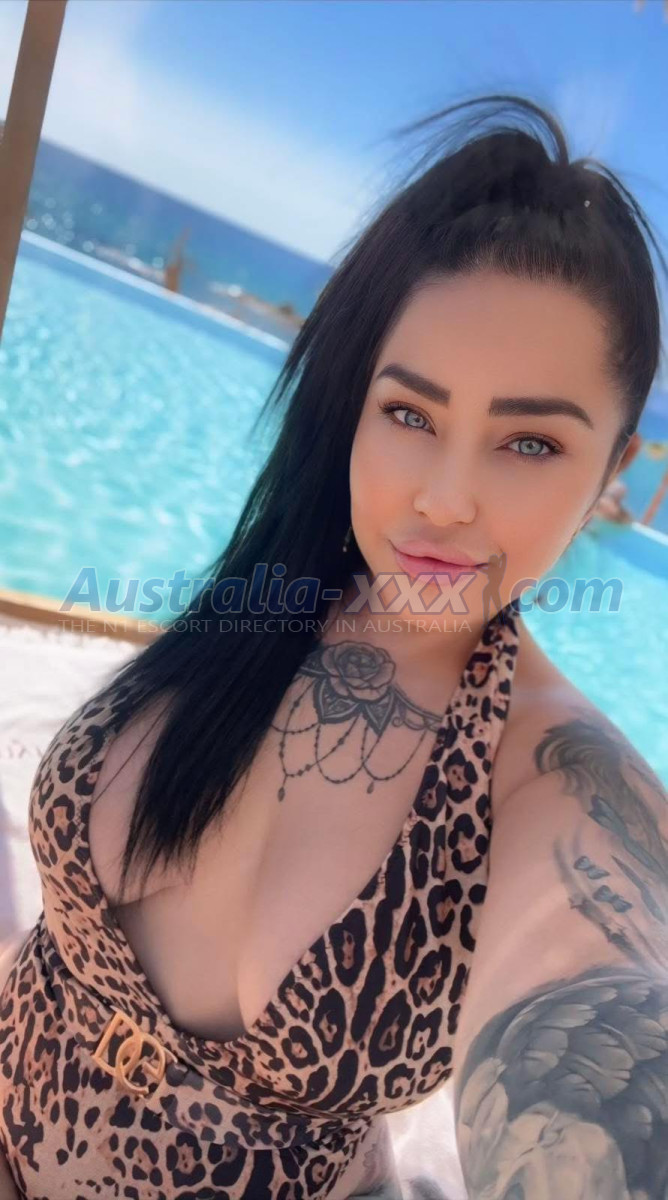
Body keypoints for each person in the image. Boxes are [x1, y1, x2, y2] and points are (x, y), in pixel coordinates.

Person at [1, 91, 667, 1199]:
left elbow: (603, 1023)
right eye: (409, 414)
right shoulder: (267, 599)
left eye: (528, 442)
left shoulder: (553, 780)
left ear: (613, 469)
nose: (444, 499)